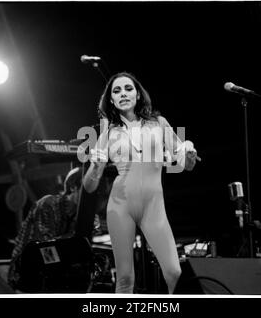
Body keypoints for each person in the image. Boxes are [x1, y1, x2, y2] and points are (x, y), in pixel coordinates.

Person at [83, 72, 200, 294]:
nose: (123, 94)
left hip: (153, 206)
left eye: (128, 88)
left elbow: (186, 164)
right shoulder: (107, 132)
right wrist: (95, 167)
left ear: (137, 94)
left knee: (174, 271)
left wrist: (190, 155)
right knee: (125, 278)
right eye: (116, 91)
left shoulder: (159, 123)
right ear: (111, 100)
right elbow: (89, 187)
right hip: (120, 207)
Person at [7, 167, 82, 290]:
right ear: (73, 187)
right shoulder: (48, 204)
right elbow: (45, 252)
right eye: (88, 188)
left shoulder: (79, 216)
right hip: (25, 277)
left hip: (51, 277)